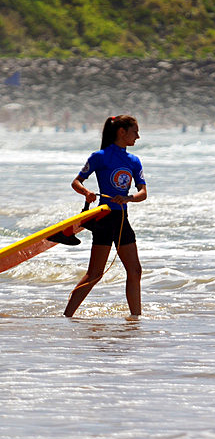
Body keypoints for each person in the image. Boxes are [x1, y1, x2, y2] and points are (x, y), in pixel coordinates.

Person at [64, 115, 147, 318]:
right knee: (95, 274)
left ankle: (136, 318)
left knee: (135, 271)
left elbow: (143, 193)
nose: (138, 136)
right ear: (122, 132)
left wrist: (128, 198)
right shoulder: (99, 157)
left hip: (121, 220)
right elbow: (76, 181)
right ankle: (66, 316)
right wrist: (87, 193)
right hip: (103, 219)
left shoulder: (134, 161)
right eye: (134, 131)